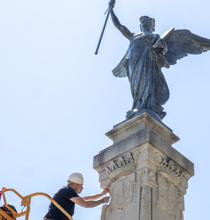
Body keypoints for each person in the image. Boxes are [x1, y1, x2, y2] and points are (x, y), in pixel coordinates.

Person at [109, 0, 170, 120]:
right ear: (140, 26)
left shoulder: (156, 37)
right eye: (143, 23)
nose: (145, 24)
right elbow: (119, 26)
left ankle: (148, 106)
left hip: (148, 63)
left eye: (148, 23)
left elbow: (161, 51)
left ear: (152, 26)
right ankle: (137, 105)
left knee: (148, 85)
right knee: (136, 86)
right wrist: (111, 10)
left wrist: (159, 53)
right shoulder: (133, 36)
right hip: (133, 65)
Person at [44, 173, 110, 220]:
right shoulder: (68, 191)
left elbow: (85, 199)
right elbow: (86, 204)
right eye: (81, 185)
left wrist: (102, 194)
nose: (82, 188)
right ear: (76, 184)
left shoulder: (66, 192)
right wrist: (101, 201)